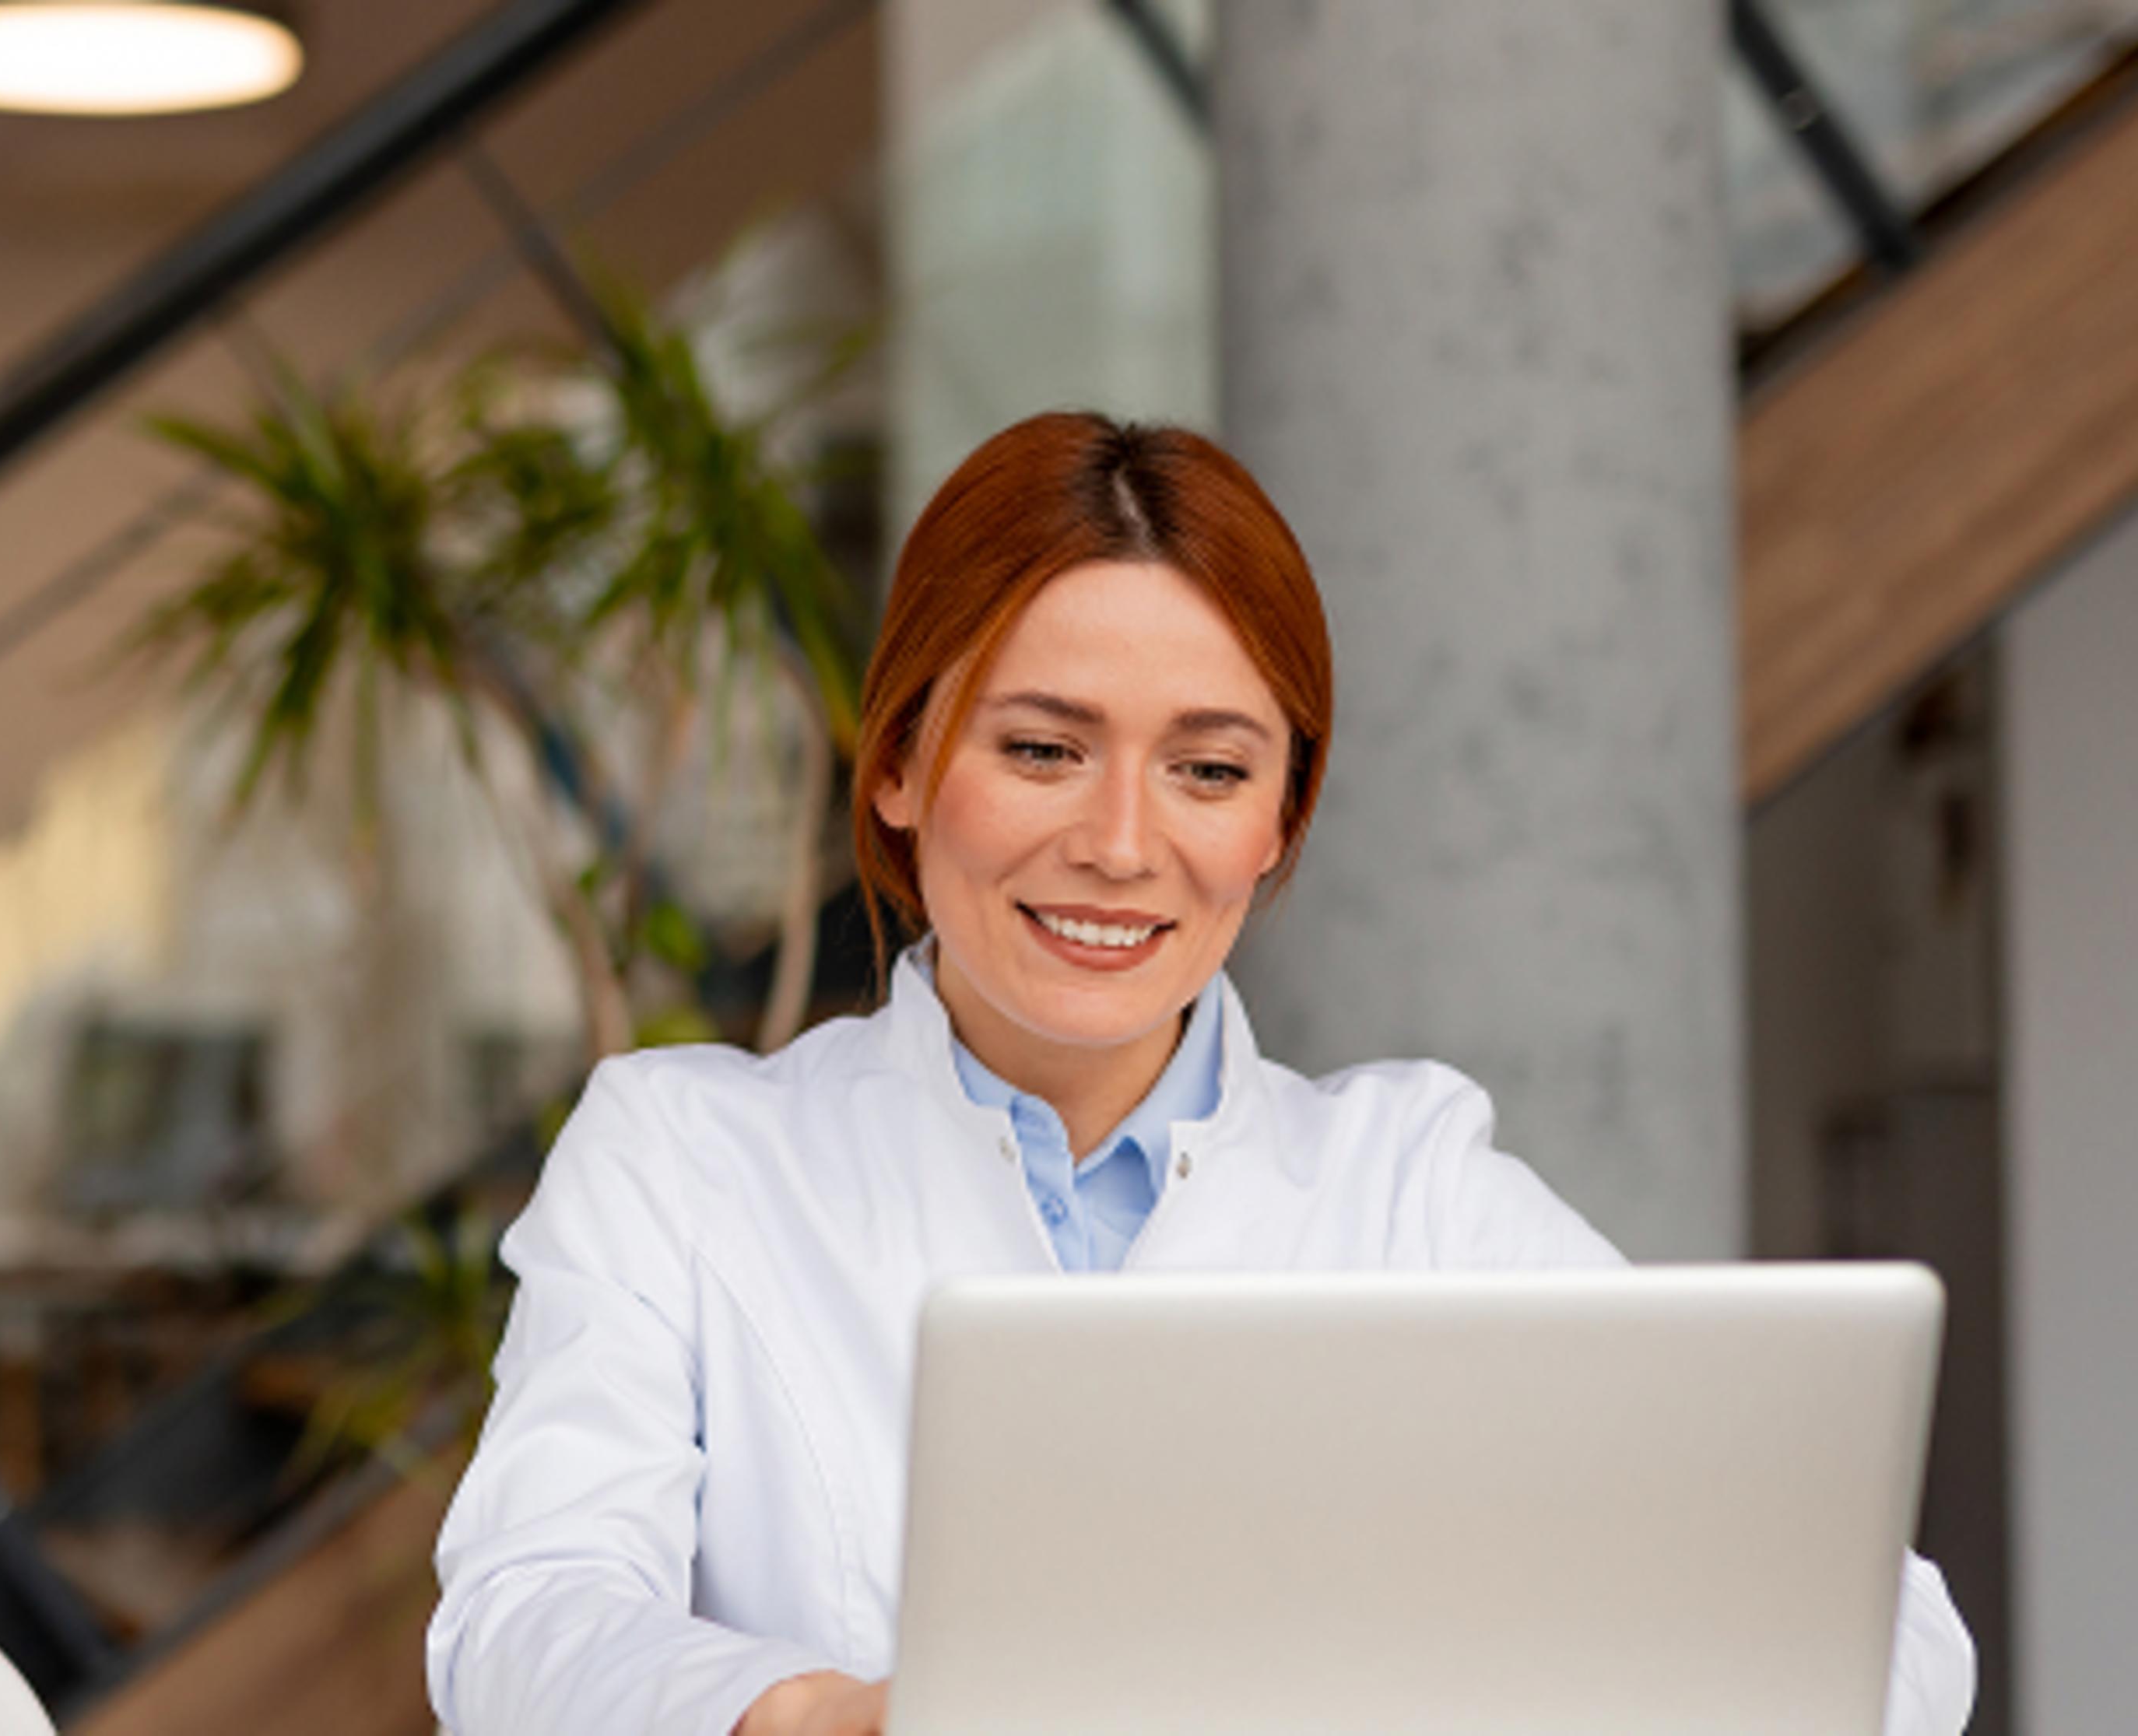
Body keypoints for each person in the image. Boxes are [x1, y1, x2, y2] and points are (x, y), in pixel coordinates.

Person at [422, 412, 1977, 1736]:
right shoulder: (684, 1156)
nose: (1119, 842)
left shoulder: (1407, 1186)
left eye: (1211, 768)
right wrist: (813, 1712)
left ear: (1282, 819)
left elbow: (1889, 1638)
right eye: (1042, 748)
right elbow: (524, 1617)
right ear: (897, 768)